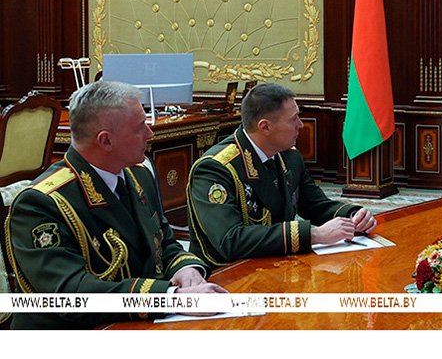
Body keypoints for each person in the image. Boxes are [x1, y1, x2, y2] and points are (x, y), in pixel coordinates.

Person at [4, 81, 226, 330]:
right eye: (140, 127)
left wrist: (186, 268)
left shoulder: (138, 174)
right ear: (106, 141)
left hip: (136, 325)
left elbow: (164, 241)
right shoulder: (42, 203)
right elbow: (70, 293)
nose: (150, 134)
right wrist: (170, 297)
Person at [187, 83, 377, 268]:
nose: (301, 125)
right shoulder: (216, 168)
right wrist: (313, 235)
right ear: (265, 127)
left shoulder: (289, 156)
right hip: (228, 273)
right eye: (293, 119)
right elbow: (231, 240)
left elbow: (314, 204)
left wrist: (353, 216)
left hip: (277, 264)